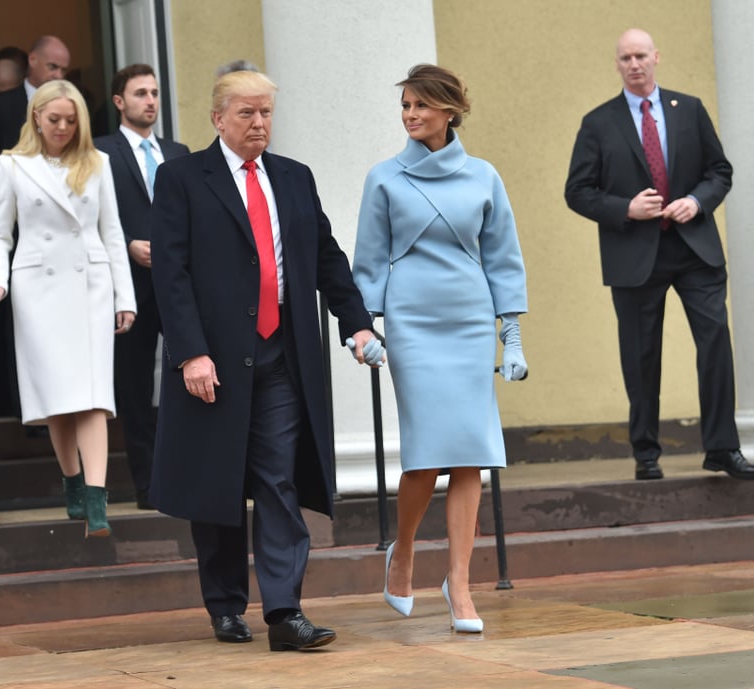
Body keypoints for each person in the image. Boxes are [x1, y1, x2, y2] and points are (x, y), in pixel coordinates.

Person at [149, 69, 382, 651]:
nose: (259, 124)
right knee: (217, 482)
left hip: (282, 356)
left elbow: (327, 257)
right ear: (218, 118)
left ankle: (284, 612)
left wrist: (354, 323)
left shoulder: (293, 178)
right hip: (216, 359)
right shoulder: (180, 178)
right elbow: (171, 274)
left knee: (278, 477)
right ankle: (226, 607)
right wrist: (191, 354)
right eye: (247, 114)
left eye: (266, 114)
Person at [352, 64, 528, 633]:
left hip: (469, 321)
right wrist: (366, 329)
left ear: (449, 111)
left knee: (470, 451)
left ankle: (459, 582)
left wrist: (512, 333)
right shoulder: (384, 177)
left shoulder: (484, 176)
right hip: (414, 323)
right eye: (405, 105)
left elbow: (502, 257)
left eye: (420, 106)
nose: (409, 115)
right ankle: (402, 550)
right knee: (427, 455)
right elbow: (370, 260)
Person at [564, 28, 754, 482]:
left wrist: (698, 201)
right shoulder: (598, 122)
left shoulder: (688, 109)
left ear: (656, 58)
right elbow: (577, 191)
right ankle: (646, 453)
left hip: (695, 251)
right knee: (641, 355)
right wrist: (624, 208)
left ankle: (722, 448)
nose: (635, 64)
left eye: (642, 56)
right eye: (626, 57)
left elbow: (719, 171)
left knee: (714, 345)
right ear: (617, 64)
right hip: (634, 255)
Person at [0, 80, 137, 537]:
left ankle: (96, 499)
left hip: (89, 286)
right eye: (55, 120)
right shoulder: (11, 166)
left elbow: (112, 233)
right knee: (57, 400)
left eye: (71, 121)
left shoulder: (99, 163)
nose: (64, 128)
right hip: (38, 290)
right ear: (36, 117)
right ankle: (71, 478)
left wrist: (123, 297)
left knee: (92, 398)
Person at [95, 64, 189, 510]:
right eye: (139, 94)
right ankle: (146, 484)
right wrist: (127, 244)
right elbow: (87, 215)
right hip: (127, 287)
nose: (150, 101)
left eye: (154, 93)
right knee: (133, 387)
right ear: (119, 102)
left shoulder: (178, 151)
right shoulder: (99, 153)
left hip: (178, 284)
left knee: (190, 374)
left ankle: (186, 473)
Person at [0, 36, 71, 421]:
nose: (59, 76)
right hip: (15, 235)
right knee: (22, 328)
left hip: (63, 242)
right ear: (32, 62)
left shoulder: (72, 105)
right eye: (52, 67)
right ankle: (28, 414)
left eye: (63, 69)